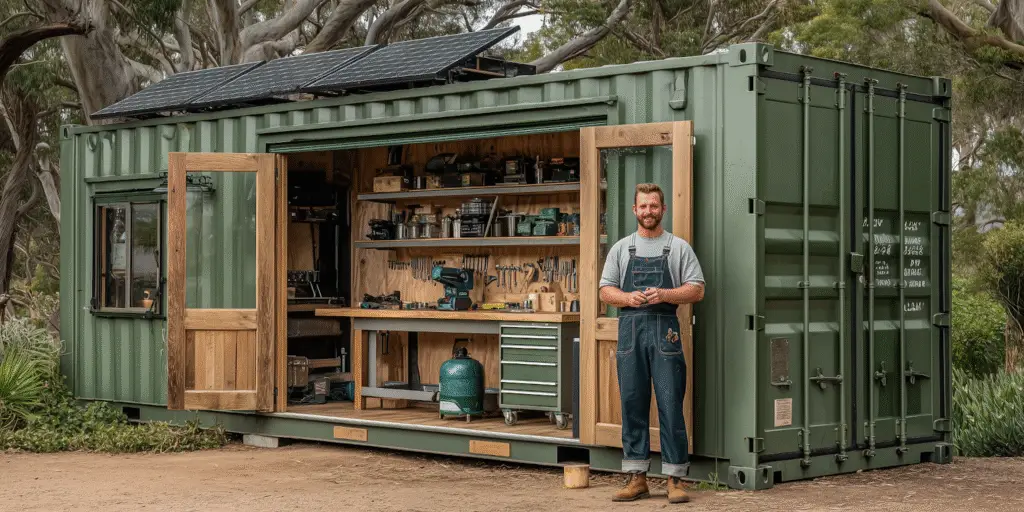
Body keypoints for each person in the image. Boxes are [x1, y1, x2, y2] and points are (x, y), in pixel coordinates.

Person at [598, 183, 705, 504]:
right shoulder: (621, 249)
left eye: (654, 206)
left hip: (665, 333)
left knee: (671, 403)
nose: (648, 212)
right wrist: (627, 297)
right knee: (632, 403)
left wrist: (666, 294)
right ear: (635, 210)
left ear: (663, 209)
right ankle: (637, 478)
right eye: (643, 206)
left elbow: (697, 289)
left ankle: (675, 479)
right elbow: (606, 290)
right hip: (630, 332)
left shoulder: (678, 248)